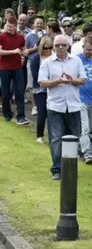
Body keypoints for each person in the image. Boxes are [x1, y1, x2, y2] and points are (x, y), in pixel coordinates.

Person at [38, 34, 86, 180]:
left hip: (73, 105)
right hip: (55, 106)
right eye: (57, 45)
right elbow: (42, 82)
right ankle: (57, 169)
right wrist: (57, 81)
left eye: (63, 45)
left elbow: (83, 79)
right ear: (53, 46)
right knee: (56, 138)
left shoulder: (76, 60)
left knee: (74, 138)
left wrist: (72, 80)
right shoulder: (47, 63)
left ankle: (70, 168)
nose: (60, 48)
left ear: (67, 46)